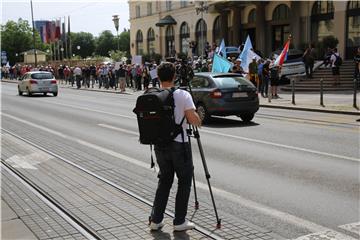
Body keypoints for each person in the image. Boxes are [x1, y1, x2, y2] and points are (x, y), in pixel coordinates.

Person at [149, 62, 201, 232]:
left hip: (159, 145)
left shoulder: (152, 94)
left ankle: (155, 220)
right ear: (174, 77)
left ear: (158, 76)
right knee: (184, 181)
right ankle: (179, 221)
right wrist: (198, 117)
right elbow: (194, 120)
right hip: (180, 144)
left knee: (164, 180)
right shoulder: (182, 94)